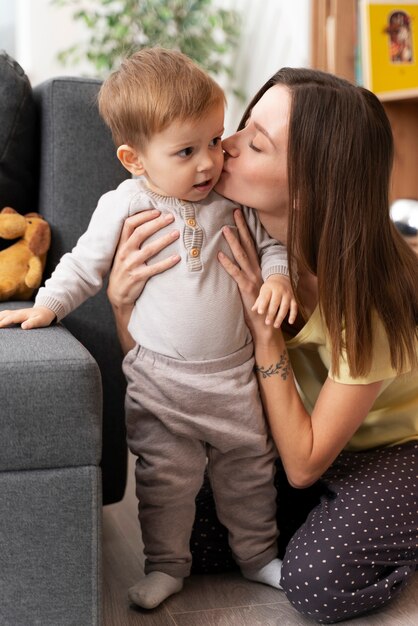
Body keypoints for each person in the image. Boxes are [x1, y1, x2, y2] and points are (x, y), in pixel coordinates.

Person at [106, 66, 418, 623]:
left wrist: (266, 335)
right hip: (299, 433)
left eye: (254, 143)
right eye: (243, 126)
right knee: (197, 539)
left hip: (392, 448)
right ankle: (340, 517)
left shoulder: (364, 298)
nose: (223, 146)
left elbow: (301, 465)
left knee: (317, 584)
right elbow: (168, 363)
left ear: (310, 186)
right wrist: (122, 304)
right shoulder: (235, 233)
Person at [0, 48, 298, 609]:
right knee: (165, 483)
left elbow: (271, 246)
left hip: (234, 378)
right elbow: (83, 264)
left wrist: (278, 279)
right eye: (186, 151)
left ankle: (259, 558)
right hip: (160, 382)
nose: (210, 162)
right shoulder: (123, 205)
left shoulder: (230, 197)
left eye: (215, 140)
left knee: (250, 474)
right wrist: (47, 305)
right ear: (134, 159)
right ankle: (166, 565)